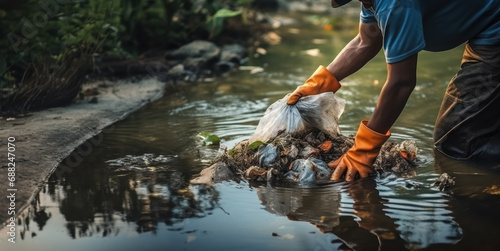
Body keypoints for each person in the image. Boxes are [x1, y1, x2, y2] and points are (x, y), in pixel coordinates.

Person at [287, 0, 500, 181]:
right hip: (485, 28)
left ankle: (483, 192)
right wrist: (319, 83)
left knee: (458, 141)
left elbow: (402, 82)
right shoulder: (375, 3)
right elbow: (366, 41)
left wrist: (364, 149)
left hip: (494, 25)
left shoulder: (394, 3)